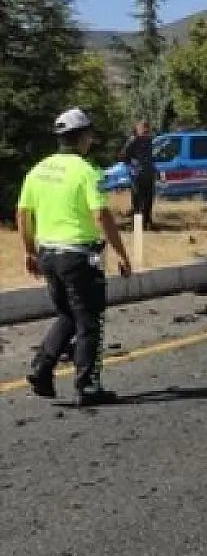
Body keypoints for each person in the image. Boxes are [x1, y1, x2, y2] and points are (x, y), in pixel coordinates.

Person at [16, 108, 133, 406]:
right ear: (82, 137)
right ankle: (88, 386)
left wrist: (29, 251)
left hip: (48, 254)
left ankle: (42, 368)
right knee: (90, 321)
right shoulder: (88, 171)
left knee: (68, 314)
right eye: (90, 135)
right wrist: (121, 253)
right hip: (79, 257)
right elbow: (101, 215)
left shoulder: (39, 170)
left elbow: (23, 213)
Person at [120, 119, 158, 231]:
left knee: (149, 200)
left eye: (147, 128)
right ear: (138, 129)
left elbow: (151, 157)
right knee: (137, 201)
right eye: (143, 128)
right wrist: (133, 165)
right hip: (137, 175)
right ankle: (137, 226)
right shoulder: (133, 140)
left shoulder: (150, 141)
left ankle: (147, 223)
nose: (146, 130)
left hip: (149, 173)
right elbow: (123, 156)